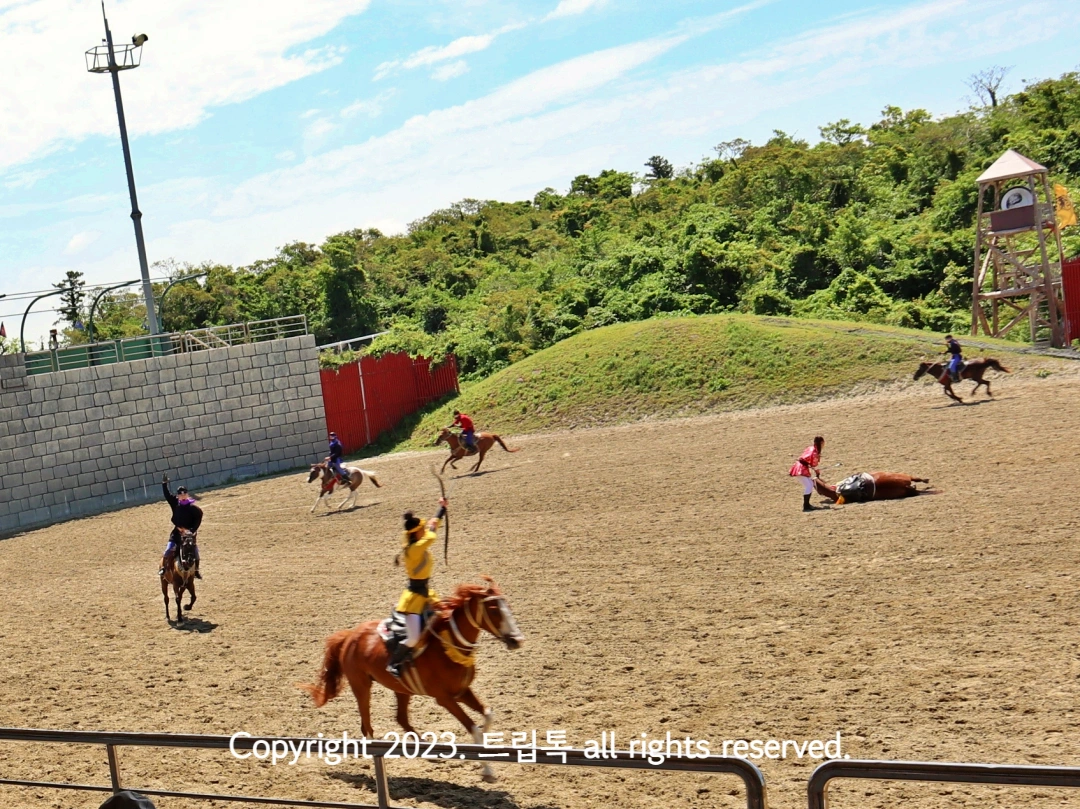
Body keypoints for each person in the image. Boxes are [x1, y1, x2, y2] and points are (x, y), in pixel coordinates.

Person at [386, 496, 448, 677]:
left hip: (427, 592)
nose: (424, 530)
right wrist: (434, 520)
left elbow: (431, 529)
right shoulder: (413, 550)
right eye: (421, 529)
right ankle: (394, 663)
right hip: (414, 597)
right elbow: (431, 535)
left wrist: (441, 509)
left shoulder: (417, 543)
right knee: (413, 638)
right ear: (416, 533)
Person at [159, 474, 203, 579]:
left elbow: (198, 518)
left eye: (184, 493)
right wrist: (164, 484)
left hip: (188, 535)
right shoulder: (175, 503)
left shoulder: (193, 508)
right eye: (180, 494)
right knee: (168, 550)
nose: (183, 495)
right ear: (178, 495)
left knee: (195, 552)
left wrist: (192, 530)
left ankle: (196, 570)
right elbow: (167, 495)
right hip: (177, 533)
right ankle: (164, 568)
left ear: (187, 494)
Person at [788, 436, 824, 512]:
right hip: (801, 469)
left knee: (810, 484)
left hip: (801, 467)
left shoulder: (810, 448)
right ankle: (806, 506)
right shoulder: (814, 452)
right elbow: (813, 464)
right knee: (809, 486)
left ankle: (807, 505)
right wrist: (816, 471)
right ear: (821, 443)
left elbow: (807, 460)